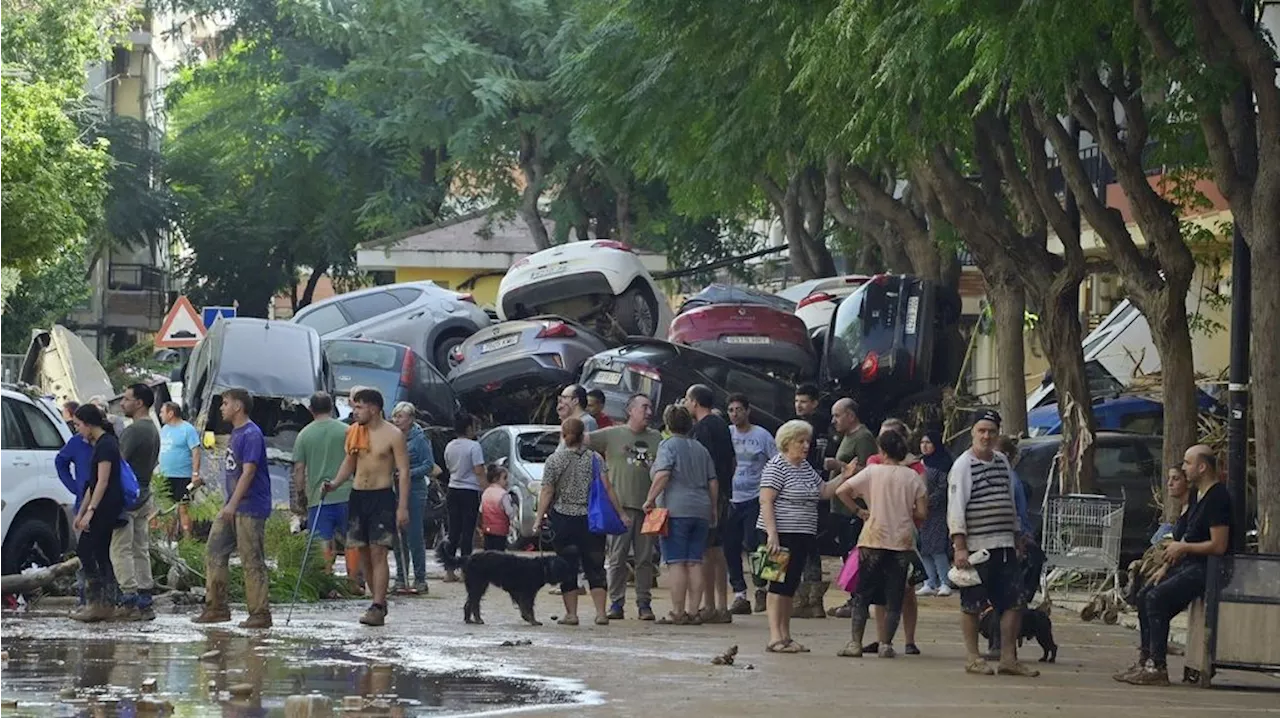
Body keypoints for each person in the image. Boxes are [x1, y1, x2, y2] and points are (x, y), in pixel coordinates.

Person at [1118, 445, 1233, 686]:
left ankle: (1157, 667)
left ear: (1202, 467)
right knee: (1145, 594)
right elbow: (1186, 537)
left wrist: (1184, 548)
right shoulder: (1198, 498)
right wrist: (1167, 566)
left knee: (1156, 598)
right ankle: (1146, 659)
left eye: (1188, 463)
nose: (1184, 468)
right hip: (1188, 564)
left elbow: (1219, 545)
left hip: (1208, 569)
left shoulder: (1217, 498)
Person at [948, 410, 1038, 677]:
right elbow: (956, 508)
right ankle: (973, 657)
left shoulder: (1001, 461)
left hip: (1005, 545)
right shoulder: (963, 465)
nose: (986, 436)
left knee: (1014, 602)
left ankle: (1009, 658)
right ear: (973, 433)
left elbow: (1009, 502)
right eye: (981, 431)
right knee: (972, 604)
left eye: (991, 431)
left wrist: (1016, 536)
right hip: (977, 548)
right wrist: (960, 546)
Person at [759, 419, 855, 653]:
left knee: (791, 585)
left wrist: (845, 475)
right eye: (801, 441)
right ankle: (775, 636)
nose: (805, 446)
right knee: (776, 584)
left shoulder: (804, 468)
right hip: (781, 534)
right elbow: (766, 500)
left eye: (807, 442)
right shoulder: (776, 466)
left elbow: (824, 491)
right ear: (787, 442)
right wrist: (772, 535)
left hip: (803, 533)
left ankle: (786, 635)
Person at [834, 428, 928, 658]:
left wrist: (860, 511)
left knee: (863, 593)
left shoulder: (872, 472)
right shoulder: (912, 476)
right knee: (895, 594)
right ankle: (886, 644)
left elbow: (841, 490)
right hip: (901, 541)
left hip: (872, 538)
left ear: (881, 450)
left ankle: (855, 643)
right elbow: (923, 513)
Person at [322, 387, 411, 626]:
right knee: (363, 554)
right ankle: (377, 600)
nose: (355, 412)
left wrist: (402, 507)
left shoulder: (393, 435)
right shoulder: (354, 432)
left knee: (378, 551)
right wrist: (334, 484)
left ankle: (378, 605)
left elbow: (403, 472)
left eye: (359, 407)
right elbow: (349, 462)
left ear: (374, 408)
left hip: (382, 497)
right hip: (358, 496)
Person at [194, 388, 273, 629]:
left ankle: (259, 613)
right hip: (233, 505)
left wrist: (232, 504)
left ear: (238, 406)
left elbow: (248, 472)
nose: (222, 407)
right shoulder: (235, 433)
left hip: (250, 506)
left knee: (252, 559)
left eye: (226, 403)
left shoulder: (251, 434)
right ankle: (216, 607)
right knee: (214, 550)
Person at [538, 417, 628, 625]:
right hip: (590, 521)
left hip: (563, 520)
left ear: (563, 435)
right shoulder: (596, 458)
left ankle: (571, 614)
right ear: (583, 436)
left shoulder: (554, 460)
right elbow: (607, 488)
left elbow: (547, 490)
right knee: (595, 566)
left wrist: (538, 517)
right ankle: (600, 613)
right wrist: (620, 513)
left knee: (567, 567)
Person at [588, 393, 664, 621]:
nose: (649, 412)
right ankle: (616, 602)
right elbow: (579, 439)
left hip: (648, 508)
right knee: (617, 558)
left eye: (650, 408)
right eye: (644, 407)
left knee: (644, 559)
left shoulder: (657, 438)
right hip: (619, 507)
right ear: (630, 410)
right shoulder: (612, 434)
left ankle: (644, 603)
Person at [644, 405, 718, 625]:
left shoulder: (668, 446)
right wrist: (713, 507)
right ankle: (694, 611)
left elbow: (663, 474)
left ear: (668, 424)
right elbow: (713, 481)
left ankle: (677, 611)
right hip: (701, 509)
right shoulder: (700, 448)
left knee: (676, 562)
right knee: (695, 561)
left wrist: (650, 498)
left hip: (675, 510)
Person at [69, 404, 127, 623]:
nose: (77, 430)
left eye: (78, 425)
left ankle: (98, 602)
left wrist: (90, 512)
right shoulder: (99, 444)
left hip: (106, 506)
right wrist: (81, 511)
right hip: (98, 503)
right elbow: (91, 484)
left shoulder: (106, 446)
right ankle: (106, 602)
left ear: (88, 424)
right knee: (101, 552)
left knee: (86, 549)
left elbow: (102, 482)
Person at [686, 384, 735, 624]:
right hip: (725, 491)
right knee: (718, 551)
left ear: (694, 402)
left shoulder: (701, 429)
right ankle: (722, 605)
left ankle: (709, 605)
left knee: (705, 551)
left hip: (708, 496)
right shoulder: (723, 426)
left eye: (687, 400)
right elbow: (732, 460)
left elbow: (704, 467)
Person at [825, 398, 878, 618]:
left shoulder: (863, 437)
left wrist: (838, 466)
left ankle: (859, 600)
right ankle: (853, 597)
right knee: (846, 554)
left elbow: (869, 470)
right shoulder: (846, 436)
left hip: (854, 506)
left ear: (850, 415)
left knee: (855, 555)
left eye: (837, 415)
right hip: (839, 504)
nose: (834, 421)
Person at [112, 383, 160, 621]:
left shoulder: (134, 431)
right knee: (140, 547)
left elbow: (117, 464)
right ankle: (145, 596)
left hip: (127, 496)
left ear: (139, 402)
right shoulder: (152, 430)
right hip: (145, 493)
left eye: (127, 399)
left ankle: (128, 597)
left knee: (121, 548)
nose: (122, 403)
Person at [725, 393, 776, 615]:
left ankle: (763, 589)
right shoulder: (727, 434)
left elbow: (776, 462)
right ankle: (739, 593)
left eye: (738, 409)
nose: (735, 414)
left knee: (757, 543)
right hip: (732, 497)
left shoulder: (762, 436)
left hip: (757, 497)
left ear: (748, 410)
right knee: (730, 546)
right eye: (731, 410)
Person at [292, 392, 353, 577]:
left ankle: (326, 579)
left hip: (318, 498)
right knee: (352, 540)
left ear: (311, 410)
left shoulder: (304, 435)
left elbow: (299, 471)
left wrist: (301, 495)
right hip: (348, 494)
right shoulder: (347, 431)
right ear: (331, 407)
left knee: (322, 541)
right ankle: (354, 580)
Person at [790, 383, 836, 619]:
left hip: (817, 491)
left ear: (815, 403)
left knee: (810, 546)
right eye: (797, 401)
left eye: (804, 401)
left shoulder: (824, 428)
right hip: (795, 492)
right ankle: (800, 599)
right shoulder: (790, 426)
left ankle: (813, 600)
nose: (799, 405)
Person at [390, 401, 437, 594]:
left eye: (400, 416)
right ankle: (401, 577)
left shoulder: (420, 439)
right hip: (394, 489)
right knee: (397, 535)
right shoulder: (393, 437)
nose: (397, 420)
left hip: (415, 490)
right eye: (395, 416)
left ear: (410, 419)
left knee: (415, 535)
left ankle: (420, 578)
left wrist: (409, 473)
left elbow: (429, 465)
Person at [442, 413, 486, 583]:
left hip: (453, 489)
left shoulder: (450, 446)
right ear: (468, 428)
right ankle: (465, 570)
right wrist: (486, 491)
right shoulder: (474, 447)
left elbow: (448, 466)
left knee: (453, 531)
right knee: (468, 532)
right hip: (470, 491)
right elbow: (479, 471)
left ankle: (449, 570)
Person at [917, 430, 954, 597]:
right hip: (920, 511)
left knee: (937, 548)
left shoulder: (943, 463)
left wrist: (928, 501)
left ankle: (945, 581)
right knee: (924, 548)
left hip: (937, 511)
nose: (924, 446)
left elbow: (943, 487)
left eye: (928, 443)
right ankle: (929, 581)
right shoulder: (919, 463)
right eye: (922, 442)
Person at [159, 401, 202, 540]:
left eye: (162, 412)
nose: (160, 415)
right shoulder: (164, 429)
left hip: (182, 476)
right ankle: (169, 540)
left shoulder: (187, 429)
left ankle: (188, 540)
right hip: (165, 475)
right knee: (167, 509)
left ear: (171, 413)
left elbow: (196, 451)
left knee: (183, 508)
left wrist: (195, 474)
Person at [480, 464, 517, 551]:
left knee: (488, 553)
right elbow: (509, 513)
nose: (507, 481)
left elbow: (481, 510)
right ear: (496, 479)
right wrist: (514, 508)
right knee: (499, 554)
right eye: (504, 478)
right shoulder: (503, 495)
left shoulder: (486, 492)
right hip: (500, 531)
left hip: (487, 529)